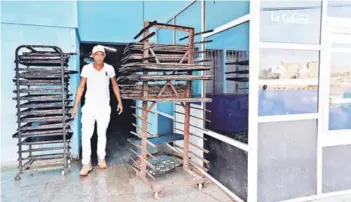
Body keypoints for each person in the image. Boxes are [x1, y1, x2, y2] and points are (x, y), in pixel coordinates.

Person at [72, 45, 123, 176]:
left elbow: (114, 85)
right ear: (92, 56)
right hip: (89, 107)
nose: (99, 57)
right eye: (97, 54)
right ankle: (86, 163)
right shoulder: (87, 69)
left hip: (104, 107)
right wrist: (75, 105)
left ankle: (101, 158)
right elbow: (81, 87)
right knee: (86, 135)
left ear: (104, 56)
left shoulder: (109, 69)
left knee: (102, 133)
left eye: (101, 54)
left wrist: (119, 102)